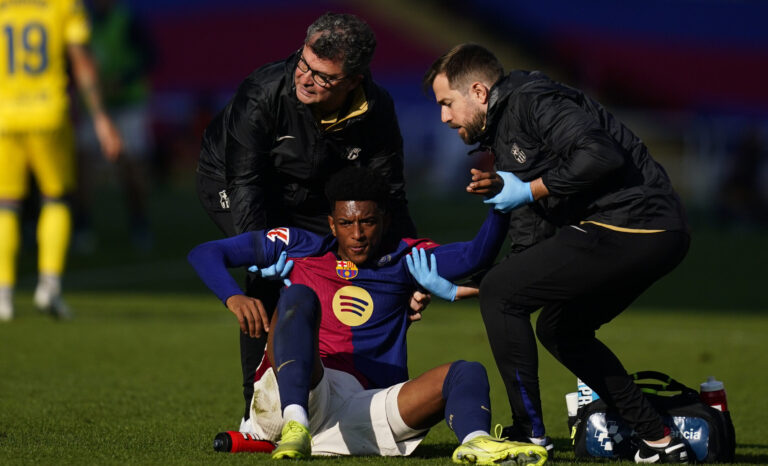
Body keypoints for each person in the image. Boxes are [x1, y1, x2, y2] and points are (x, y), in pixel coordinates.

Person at [421, 44, 691, 463]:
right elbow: (532, 246)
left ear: (477, 91)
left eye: (446, 103)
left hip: (634, 223)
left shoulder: (531, 99)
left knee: (504, 294)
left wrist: (529, 189)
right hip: (648, 231)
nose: (444, 117)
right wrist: (465, 289)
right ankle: (659, 439)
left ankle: (529, 435)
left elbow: (600, 155)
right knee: (559, 329)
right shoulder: (507, 128)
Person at [188, 166, 547, 464]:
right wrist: (234, 296)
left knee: (466, 372)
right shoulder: (300, 246)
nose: (357, 234)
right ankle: (295, 424)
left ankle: (476, 441)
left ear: (385, 220)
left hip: (368, 408)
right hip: (305, 391)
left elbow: (474, 258)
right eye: (346, 224)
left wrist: (501, 207)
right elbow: (205, 253)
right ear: (332, 224)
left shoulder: (408, 258)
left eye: (368, 222)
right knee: (298, 295)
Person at [195, 12, 417, 428]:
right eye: (304, 62)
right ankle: (256, 414)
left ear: (353, 80)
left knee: (348, 266)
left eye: (324, 77)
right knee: (265, 279)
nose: (306, 78)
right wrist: (261, 252)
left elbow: (387, 194)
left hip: (313, 192)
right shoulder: (263, 92)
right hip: (231, 181)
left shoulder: (377, 108)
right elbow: (246, 183)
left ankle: (351, 393)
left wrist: (410, 269)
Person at [0, 0, 122, 321]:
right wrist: (100, 117)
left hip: (5, 116)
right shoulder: (63, 4)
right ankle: (49, 287)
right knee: (56, 198)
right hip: (48, 113)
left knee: (7, 204)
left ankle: (4, 296)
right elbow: (81, 61)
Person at [73, 0, 156, 253]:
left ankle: (139, 223)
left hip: (128, 106)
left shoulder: (128, 20)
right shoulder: (81, 23)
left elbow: (150, 57)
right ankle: (82, 226)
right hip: (95, 107)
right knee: (83, 166)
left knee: (131, 168)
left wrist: (123, 80)